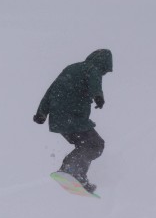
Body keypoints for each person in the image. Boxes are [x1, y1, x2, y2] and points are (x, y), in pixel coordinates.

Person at [33, 49, 113, 193]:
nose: (103, 74)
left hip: (58, 119)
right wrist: (98, 96)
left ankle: (73, 173)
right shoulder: (92, 69)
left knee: (84, 145)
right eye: (105, 71)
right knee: (96, 144)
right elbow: (95, 83)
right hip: (73, 117)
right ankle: (71, 171)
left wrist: (42, 112)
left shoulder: (71, 68)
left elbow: (51, 90)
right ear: (102, 64)